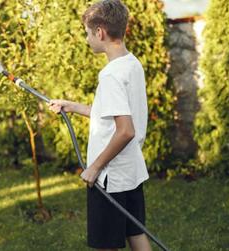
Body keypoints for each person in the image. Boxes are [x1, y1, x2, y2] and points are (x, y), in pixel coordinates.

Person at [47, 1, 151, 250]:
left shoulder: (110, 75)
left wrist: (94, 167)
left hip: (109, 177)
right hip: (131, 171)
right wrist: (72, 106)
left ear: (100, 32)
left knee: (106, 244)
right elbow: (115, 115)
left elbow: (125, 130)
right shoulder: (131, 64)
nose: (86, 38)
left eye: (87, 32)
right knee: (136, 233)